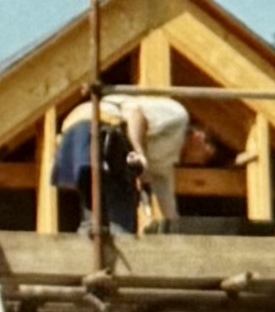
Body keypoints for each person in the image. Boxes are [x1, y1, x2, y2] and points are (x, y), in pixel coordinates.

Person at [52, 96, 212, 234]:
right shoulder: (178, 117)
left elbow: (167, 202)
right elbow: (137, 115)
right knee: (121, 213)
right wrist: (139, 153)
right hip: (99, 126)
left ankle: (94, 246)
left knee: (96, 207)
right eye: (207, 154)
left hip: (78, 135)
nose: (201, 163)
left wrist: (177, 234)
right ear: (199, 137)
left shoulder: (166, 162)